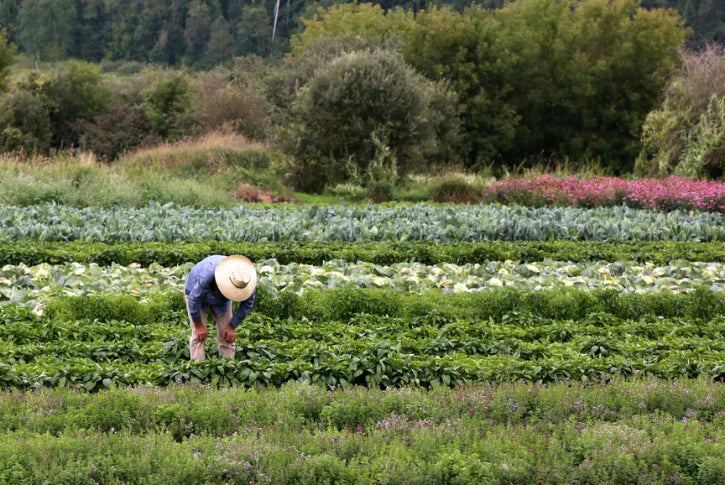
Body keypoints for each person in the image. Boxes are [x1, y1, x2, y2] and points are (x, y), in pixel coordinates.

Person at [184, 255, 257, 361]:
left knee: (227, 336)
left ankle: (227, 369)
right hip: (195, 291)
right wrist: (198, 325)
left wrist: (232, 326)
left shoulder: (246, 281)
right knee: (198, 335)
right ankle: (197, 371)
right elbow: (194, 299)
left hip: (221, 300)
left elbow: (247, 304)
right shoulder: (208, 275)